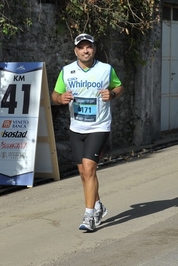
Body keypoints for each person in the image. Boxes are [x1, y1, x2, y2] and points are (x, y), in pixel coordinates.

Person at [51, 33, 123, 231]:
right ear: (75, 51)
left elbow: (118, 86)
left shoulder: (105, 70)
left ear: (94, 49)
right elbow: (55, 94)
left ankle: (89, 216)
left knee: (90, 168)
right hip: (77, 127)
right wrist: (60, 99)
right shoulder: (67, 71)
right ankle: (98, 205)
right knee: (83, 172)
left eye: (88, 47)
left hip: (99, 126)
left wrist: (113, 94)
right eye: (81, 47)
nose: (85, 50)